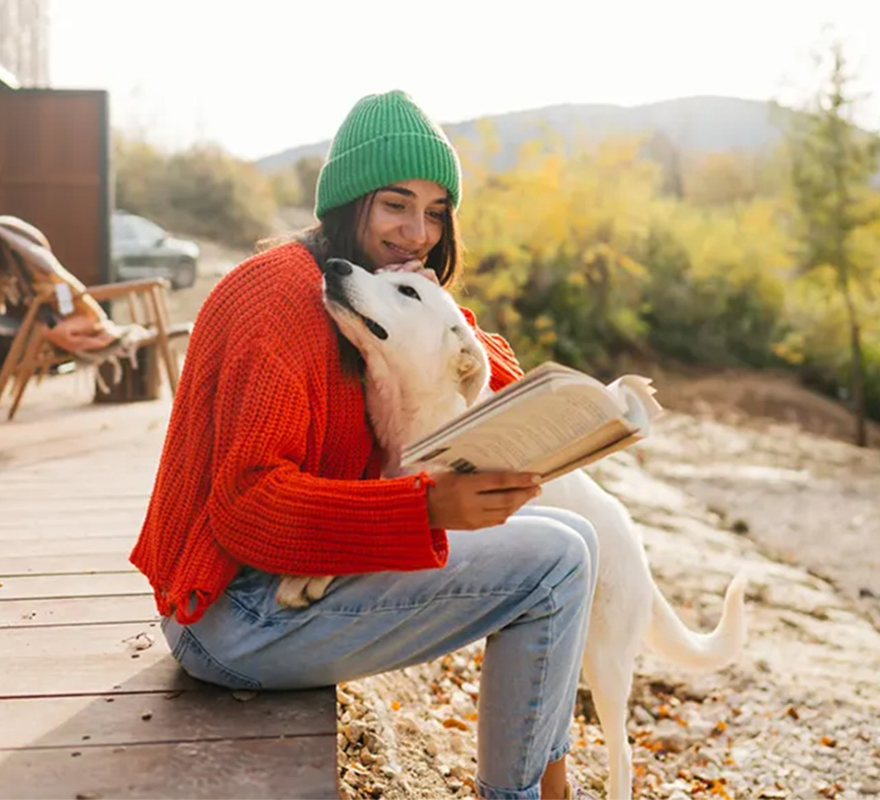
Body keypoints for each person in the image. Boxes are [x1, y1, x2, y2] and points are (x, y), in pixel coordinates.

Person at [130, 90, 599, 800]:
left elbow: (455, 339)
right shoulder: (278, 300)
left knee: (574, 534)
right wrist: (427, 510)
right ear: (350, 204)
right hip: (230, 616)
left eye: (436, 212)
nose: (418, 233)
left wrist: (538, 400)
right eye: (396, 205)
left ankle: (548, 786)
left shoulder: (354, 281)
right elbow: (246, 507)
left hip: (286, 587)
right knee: (555, 562)